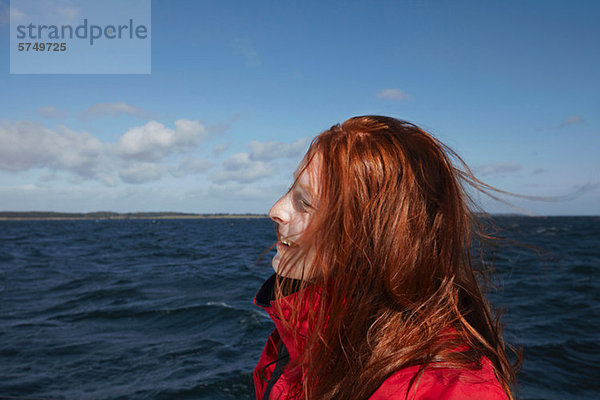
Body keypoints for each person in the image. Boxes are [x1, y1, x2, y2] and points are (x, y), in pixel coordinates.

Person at [253, 116, 519, 400]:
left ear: (374, 236)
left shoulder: (446, 389)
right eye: (290, 190)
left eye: (304, 202)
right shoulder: (299, 335)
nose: (275, 210)